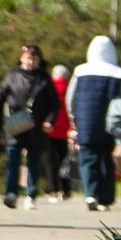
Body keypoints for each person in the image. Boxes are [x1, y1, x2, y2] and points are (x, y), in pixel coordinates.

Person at [66, 34, 121, 212]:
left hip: (85, 123)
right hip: (109, 125)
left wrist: (73, 118)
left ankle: (91, 193)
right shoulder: (119, 73)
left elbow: (70, 98)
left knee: (87, 158)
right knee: (106, 159)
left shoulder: (80, 71)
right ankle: (105, 199)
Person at [0, 42, 58, 211]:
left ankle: (31, 194)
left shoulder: (44, 78)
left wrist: (50, 121)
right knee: (13, 160)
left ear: (39, 60)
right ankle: (11, 193)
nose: (31, 61)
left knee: (34, 163)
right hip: (15, 126)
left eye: (34, 58)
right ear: (21, 58)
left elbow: (55, 104)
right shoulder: (12, 76)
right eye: (28, 57)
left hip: (37, 128)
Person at [45, 65, 73, 201]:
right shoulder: (70, 89)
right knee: (65, 162)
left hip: (50, 129)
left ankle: (53, 189)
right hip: (66, 131)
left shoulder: (48, 88)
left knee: (51, 162)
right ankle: (66, 189)